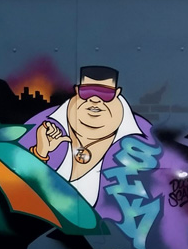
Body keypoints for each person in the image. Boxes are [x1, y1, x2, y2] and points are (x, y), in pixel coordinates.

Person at [25, 66, 146, 207]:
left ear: (117, 93)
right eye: (87, 92)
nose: (95, 99)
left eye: (105, 93)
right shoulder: (43, 124)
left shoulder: (141, 136)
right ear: (77, 90)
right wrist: (41, 153)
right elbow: (18, 186)